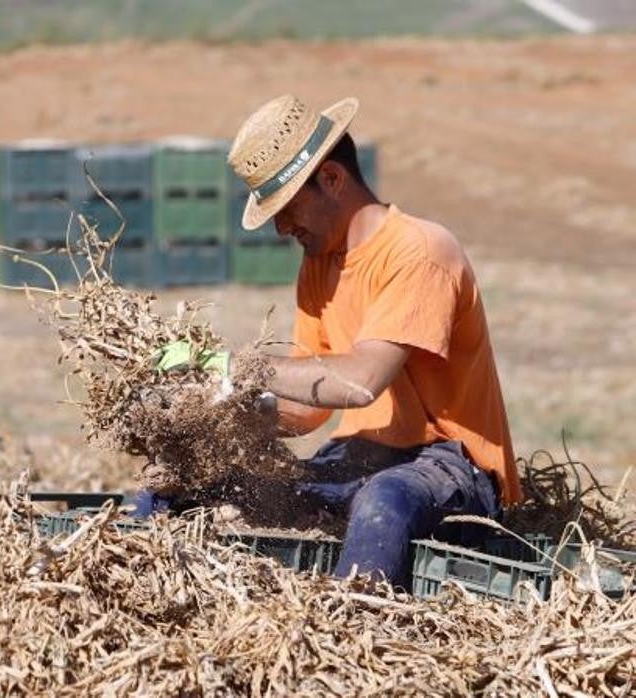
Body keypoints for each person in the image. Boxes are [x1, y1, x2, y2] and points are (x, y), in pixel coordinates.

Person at [222, 94, 520, 588]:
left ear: (332, 180)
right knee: (224, 490)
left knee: (383, 502)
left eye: (288, 208)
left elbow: (360, 382)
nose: (280, 228)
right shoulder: (318, 265)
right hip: (362, 457)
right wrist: (226, 414)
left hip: (450, 464)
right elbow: (308, 409)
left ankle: (348, 636)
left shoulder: (420, 251)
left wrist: (241, 367)